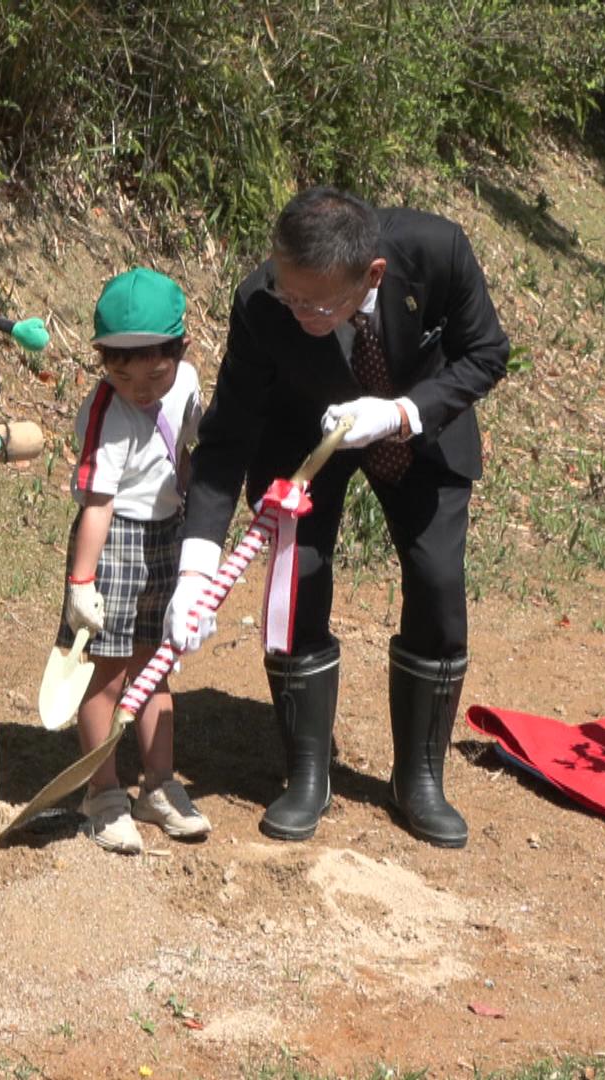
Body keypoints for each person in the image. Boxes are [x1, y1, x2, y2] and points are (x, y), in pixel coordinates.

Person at [167, 186, 509, 849]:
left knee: (438, 580)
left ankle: (421, 778)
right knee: (301, 581)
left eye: (318, 304)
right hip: (304, 434)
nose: (299, 313)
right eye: (289, 295)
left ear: (371, 275)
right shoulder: (262, 300)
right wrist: (196, 564)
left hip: (423, 428)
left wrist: (401, 412)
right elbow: (228, 436)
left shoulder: (437, 251)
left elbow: (485, 353)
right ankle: (306, 773)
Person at [59, 268, 213, 854]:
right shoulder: (106, 414)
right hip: (116, 542)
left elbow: (195, 444)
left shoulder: (188, 383)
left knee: (156, 665)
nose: (139, 386)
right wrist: (82, 583)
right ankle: (102, 794)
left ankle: (158, 785)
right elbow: (97, 506)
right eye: (119, 371)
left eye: (153, 371)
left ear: (180, 352)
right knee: (111, 671)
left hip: (170, 536)